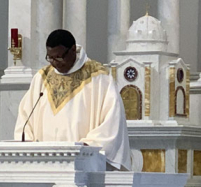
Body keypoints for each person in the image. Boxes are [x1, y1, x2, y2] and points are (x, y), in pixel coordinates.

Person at [14, 29, 131, 170]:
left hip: (82, 162)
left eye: (59, 57)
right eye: (50, 58)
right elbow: (25, 116)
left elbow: (112, 120)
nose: (55, 63)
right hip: (44, 164)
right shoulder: (42, 77)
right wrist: (26, 142)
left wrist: (89, 146)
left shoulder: (99, 77)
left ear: (73, 50)